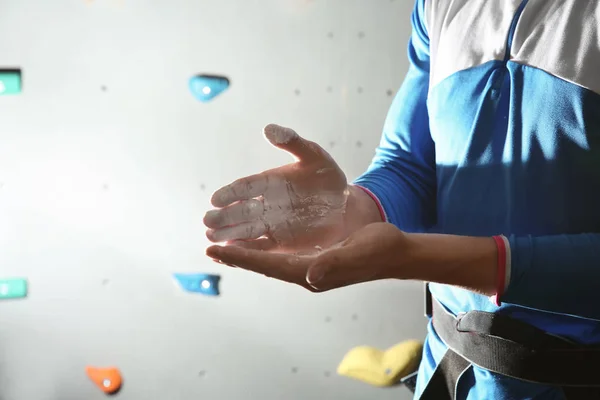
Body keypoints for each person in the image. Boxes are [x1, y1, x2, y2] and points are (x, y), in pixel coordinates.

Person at [203, 0, 600, 398]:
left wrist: (416, 258)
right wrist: (354, 210)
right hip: (450, 369)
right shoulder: (438, 5)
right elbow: (410, 165)